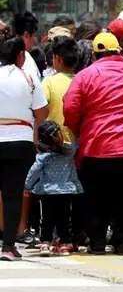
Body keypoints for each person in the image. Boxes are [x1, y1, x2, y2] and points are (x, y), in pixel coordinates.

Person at [63, 33, 123, 254]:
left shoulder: (85, 76)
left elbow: (70, 108)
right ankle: (122, 242)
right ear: (118, 51)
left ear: (95, 54)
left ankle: (98, 242)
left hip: (96, 148)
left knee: (95, 199)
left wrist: (77, 130)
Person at [0, 36, 49, 261]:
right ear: (20, 56)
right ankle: (9, 246)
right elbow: (42, 113)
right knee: (12, 196)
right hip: (20, 142)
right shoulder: (29, 77)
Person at [23, 120, 83, 257]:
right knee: (64, 217)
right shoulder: (69, 151)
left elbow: (34, 171)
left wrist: (27, 186)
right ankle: (64, 244)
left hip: (47, 190)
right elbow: (78, 143)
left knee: (47, 217)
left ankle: (45, 243)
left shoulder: (43, 156)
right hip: (66, 189)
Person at [43, 37, 78, 147]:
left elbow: (40, 109)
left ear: (58, 59)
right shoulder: (82, 80)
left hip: (56, 142)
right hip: (78, 143)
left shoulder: (49, 81)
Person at [12, 11, 42, 82]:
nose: (35, 40)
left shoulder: (5, 54)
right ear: (26, 35)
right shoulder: (26, 59)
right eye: (34, 35)